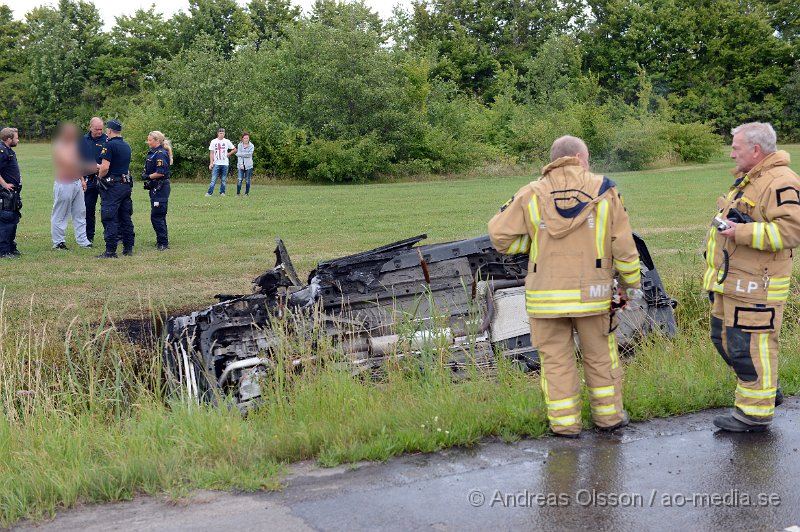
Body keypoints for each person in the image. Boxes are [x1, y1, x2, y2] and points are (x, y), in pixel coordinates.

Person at [488, 135, 641, 438]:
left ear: (554, 159)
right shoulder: (604, 189)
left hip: (546, 297)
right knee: (600, 357)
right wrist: (629, 286)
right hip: (593, 296)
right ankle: (609, 419)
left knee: (556, 363)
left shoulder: (531, 192)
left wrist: (534, 242)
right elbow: (623, 245)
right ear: (581, 159)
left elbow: (499, 236)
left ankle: (564, 425)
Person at [703, 122, 800, 433]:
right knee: (722, 337)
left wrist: (740, 231)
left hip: (759, 284)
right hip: (735, 281)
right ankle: (766, 388)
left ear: (756, 150)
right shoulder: (752, 179)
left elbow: (792, 231)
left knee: (749, 345)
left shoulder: (781, 182)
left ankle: (755, 414)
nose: (731, 153)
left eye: (736, 147)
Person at [96, 119, 134, 258]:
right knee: (125, 217)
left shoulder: (109, 145)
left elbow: (105, 167)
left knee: (109, 216)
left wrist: (99, 177)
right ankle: (128, 248)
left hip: (113, 186)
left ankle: (110, 251)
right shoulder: (126, 145)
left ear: (110, 130)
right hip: (125, 184)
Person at [51, 122, 92, 250]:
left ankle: (83, 240)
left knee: (80, 212)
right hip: (64, 182)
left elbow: (78, 161)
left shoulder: (74, 145)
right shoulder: (59, 146)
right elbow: (68, 163)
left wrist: (82, 179)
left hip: (76, 182)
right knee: (60, 214)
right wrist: (90, 167)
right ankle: (58, 242)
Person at [143, 131, 172, 250]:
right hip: (155, 187)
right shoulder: (154, 153)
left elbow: (160, 172)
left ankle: (163, 243)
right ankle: (161, 239)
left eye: (150, 140)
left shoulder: (160, 154)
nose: (148, 142)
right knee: (159, 214)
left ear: (157, 141)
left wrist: (148, 177)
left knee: (157, 215)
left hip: (160, 187)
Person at [80, 117, 107, 244]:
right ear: (90, 127)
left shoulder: (107, 140)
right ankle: (88, 236)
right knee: (88, 209)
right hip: (89, 179)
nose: (99, 132)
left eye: (101, 129)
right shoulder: (82, 141)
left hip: (104, 179)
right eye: (97, 129)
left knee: (107, 208)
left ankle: (112, 234)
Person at [0, 127, 22, 258]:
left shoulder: (8, 150)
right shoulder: (2, 151)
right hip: (5, 193)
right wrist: (4, 185)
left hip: (13, 193)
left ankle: (11, 247)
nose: (18, 140)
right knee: (6, 220)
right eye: (16, 138)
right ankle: (4, 250)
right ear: (9, 139)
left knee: (13, 219)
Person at [206, 128, 236, 196]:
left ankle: (222, 192)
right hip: (216, 163)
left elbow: (234, 149)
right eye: (220, 133)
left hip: (225, 163)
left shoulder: (227, 141)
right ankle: (209, 193)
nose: (222, 134)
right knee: (213, 179)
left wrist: (229, 153)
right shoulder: (213, 141)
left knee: (223, 179)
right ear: (218, 133)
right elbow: (211, 153)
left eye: (223, 133)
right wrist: (211, 163)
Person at [236, 131, 255, 196]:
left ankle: (246, 193)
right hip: (240, 166)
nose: (246, 139)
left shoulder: (251, 145)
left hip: (249, 165)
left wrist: (241, 154)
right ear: (242, 139)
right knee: (240, 179)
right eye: (245, 138)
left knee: (247, 180)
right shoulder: (239, 145)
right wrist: (241, 164)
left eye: (247, 138)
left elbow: (249, 155)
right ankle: (238, 193)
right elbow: (239, 156)